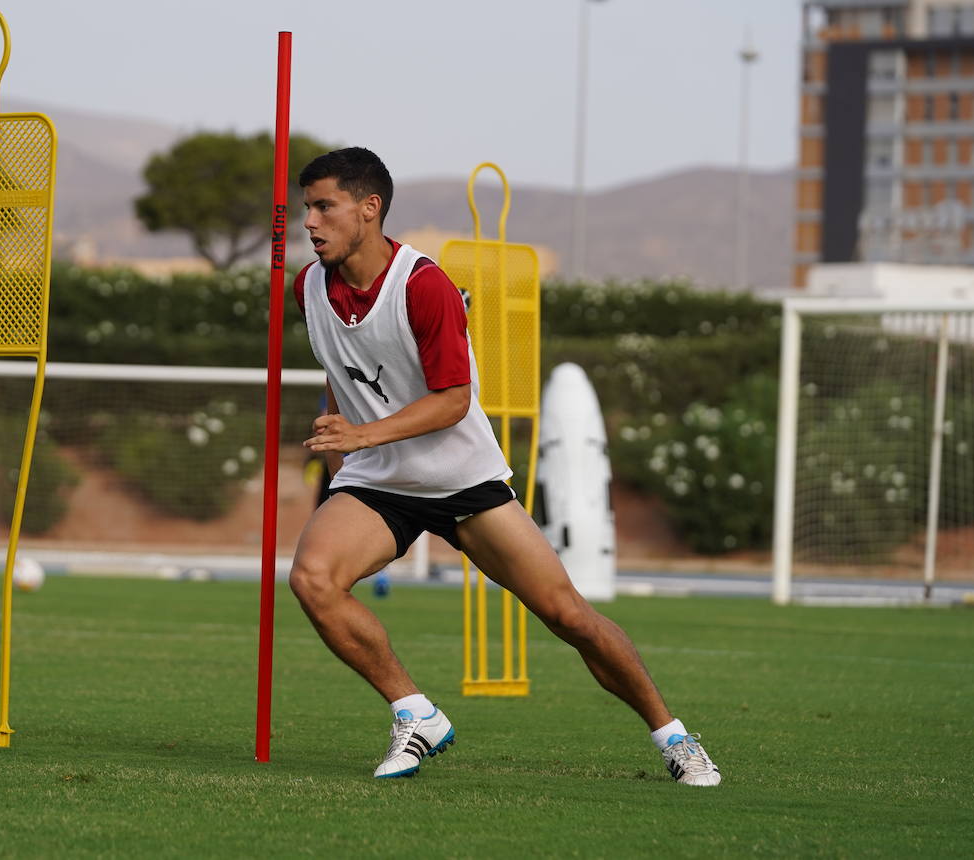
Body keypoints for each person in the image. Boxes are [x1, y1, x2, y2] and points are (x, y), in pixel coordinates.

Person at [288, 147, 721, 785]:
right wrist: (337, 423)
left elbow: (453, 400)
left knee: (569, 616)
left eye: (325, 206)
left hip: (460, 480)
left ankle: (675, 738)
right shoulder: (309, 287)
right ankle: (416, 713)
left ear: (369, 208)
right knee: (313, 579)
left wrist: (361, 432)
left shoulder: (423, 285)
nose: (311, 222)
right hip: (378, 480)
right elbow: (345, 366)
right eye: (307, 209)